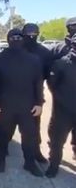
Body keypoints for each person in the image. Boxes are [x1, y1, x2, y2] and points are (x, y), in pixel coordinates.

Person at [0, 29, 44, 177]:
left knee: (28, 137)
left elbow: (38, 82)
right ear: (8, 39)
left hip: (28, 106)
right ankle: (0, 160)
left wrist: (39, 102)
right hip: (5, 105)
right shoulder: (0, 58)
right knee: (3, 135)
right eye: (12, 37)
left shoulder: (33, 59)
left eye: (18, 37)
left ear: (22, 39)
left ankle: (29, 163)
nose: (16, 39)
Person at [45, 34, 76, 178]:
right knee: (57, 141)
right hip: (63, 111)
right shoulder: (61, 64)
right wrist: (62, 100)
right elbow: (52, 85)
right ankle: (54, 165)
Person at [22, 23, 51, 163]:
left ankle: (36, 152)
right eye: (28, 35)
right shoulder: (16, 49)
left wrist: (39, 99)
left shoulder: (44, 52)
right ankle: (3, 148)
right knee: (6, 126)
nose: (31, 37)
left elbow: (47, 75)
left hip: (34, 95)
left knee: (34, 127)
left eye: (34, 35)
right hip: (11, 94)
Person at [50, 16, 76, 159]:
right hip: (61, 98)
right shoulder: (59, 48)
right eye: (73, 27)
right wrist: (57, 94)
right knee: (57, 130)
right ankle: (54, 152)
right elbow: (50, 74)